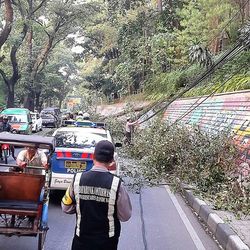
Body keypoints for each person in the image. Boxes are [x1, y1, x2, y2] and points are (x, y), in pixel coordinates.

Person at [61, 140, 132, 250]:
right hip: (107, 244)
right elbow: (125, 216)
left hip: (81, 242)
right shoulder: (116, 184)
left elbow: (66, 207)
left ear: (93, 156)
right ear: (112, 160)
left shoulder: (77, 179)